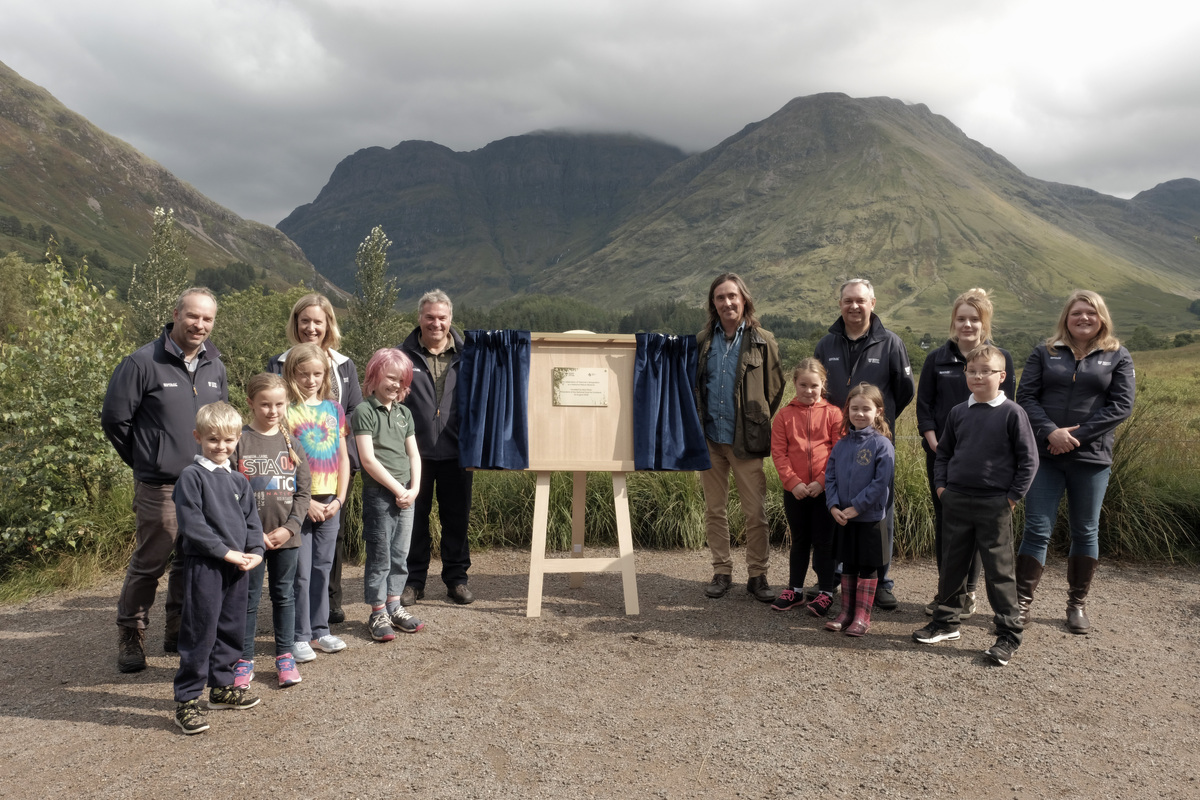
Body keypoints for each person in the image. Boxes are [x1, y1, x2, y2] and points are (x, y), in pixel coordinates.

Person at [102, 287, 228, 673]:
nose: (199, 325)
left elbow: (220, 421)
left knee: (192, 560)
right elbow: (115, 420)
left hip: (204, 482)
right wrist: (146, 460)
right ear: (176, 314)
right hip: (161, 485)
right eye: (193, 316)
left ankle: (177, 630)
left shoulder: (215, 365)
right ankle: (131, 633)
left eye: (207, 319)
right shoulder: (142, 362)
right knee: (151, 561)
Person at [1015, 290, 1135, 634]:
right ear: (1066, 318)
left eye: (1091, 313)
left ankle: (1076, 606)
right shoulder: (1045, 351)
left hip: (1092, 459)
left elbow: (1121, 406)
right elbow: (1026, 397)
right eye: (1077, 313)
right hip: (1045, 454)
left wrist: (1075, 437)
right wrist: (1051, 432)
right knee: (1037, 528)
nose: (1084, 318)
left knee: (1085, 530)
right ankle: (1020, 605)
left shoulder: (1118, 356)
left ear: (1102, 318)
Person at [911, 345, 1038, 666]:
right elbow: (944, 455)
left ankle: (1008, 634)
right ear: (965, 374)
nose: (978, 376)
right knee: (953, 565)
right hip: (956, 500)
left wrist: (1011, 497)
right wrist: (942, 488)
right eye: (972, 371)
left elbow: (1029, 461)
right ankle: (945, 622)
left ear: (1002, 376)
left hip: (995, 504)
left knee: (999, 572)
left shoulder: (1012, 413)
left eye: (986, 371)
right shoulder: (958, 413)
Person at [814, 278, 914, 609]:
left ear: (873, 303)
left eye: (860, 300)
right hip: (838, 441)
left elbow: (904, 391)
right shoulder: (826, 344)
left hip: (876, 442)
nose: (854, 306)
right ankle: (839, 576)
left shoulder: (891, 342)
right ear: (839, 304)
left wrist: (878, 425)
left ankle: (881, 580)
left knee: (878, 509)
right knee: (839, 503)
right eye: (847, 300)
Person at [915, 288, 1015, 617]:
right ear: (953, 322)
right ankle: (947, 591)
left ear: (984, 323)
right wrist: (934, 441)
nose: (967, 325)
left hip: (983, 462)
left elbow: (1008, 408)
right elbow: (925, 406)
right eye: (961, 319)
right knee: (947, 524)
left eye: (974, 319)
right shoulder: (936, 359)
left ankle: (968, 593)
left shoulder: (1001, 360)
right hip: (941, 457)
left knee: (976, 527)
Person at [171, 402, 264, 734]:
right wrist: (225, 553)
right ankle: (187, 699)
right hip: (206, 567)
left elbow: (252, 522)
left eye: (227, 440)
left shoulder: (239, 480)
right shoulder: (191, 477)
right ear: (198, 438)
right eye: (212, 440)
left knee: (231, 629)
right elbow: (193, 526)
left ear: (238, 438)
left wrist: (255, 552)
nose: (220, 447)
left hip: (238, 567)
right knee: (201, 631)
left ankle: (222, 688)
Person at [268, 293, 361, 624]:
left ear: (328, 325)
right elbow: (275, 423)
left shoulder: (343, 364)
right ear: (295, 323)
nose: (311, 327)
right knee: (300, 557)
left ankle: (327, 610)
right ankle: (298, 624)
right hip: (295, 479)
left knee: (328, 549)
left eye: (317, 321)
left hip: (334, 470)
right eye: (304, 320)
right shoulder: (279, 363)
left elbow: (351, 412)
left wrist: (345, 471)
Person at [694, 273, 785, 602]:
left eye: (732, 296)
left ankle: (757, 576)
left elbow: (775, 389)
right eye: (720, 297)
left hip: (746, 442)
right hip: (711, 440)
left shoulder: (763, 339)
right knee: (714, 510)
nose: (727, 303)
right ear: (713, 303)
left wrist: (755, 420)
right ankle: (721, 570)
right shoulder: (704, 340)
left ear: (744, 299)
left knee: (754, 512)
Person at [233, 373, 311, 689]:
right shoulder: (239, 441)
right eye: (265, 404)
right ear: (251, 403)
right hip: (249, 540)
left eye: (279, 404)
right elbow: (229, 495)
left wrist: (290, 528)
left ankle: (285, 657)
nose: (272, 410)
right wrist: (252, 534)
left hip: (287, 539)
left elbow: (304, 493)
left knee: (284, 595)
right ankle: (243, 660)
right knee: (247, 599)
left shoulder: (293, 443)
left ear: (286, 404)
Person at [398, 290, 474, 606]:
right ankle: (413, 582)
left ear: (450, 320)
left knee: (456, 519)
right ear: (420, 318)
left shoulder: (468, 355)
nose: (436, 323)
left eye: (442, 317)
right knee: (414, 521)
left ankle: (456, 580)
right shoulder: (401, 356)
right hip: (415, 455)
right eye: (430, 317)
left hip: (458, 452)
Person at [282, 343, 351, 662]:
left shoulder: (334, 409)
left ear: (326, 375)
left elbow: (342, 457)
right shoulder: (285, 410)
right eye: (303, 373)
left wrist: (340, 497)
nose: (310, 380)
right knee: (301, 571)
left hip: (330, 499)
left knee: (323, 567)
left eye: (317, 374)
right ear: (291, 374)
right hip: (299, 502)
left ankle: (321, 629)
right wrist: (303, 501)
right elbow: (284, 460)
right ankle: (299, 636)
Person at [355, 348, 426, 641]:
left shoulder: (404, 413)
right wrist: (399, 489)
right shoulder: (364, 411)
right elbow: (368, 460)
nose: (396, 385)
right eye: (390, 377)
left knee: (400, 554)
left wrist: (415, 489)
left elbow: (414, 454)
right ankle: (377, 611)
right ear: (374, 375)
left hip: (406, 495)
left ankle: (395, 605)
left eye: (401, 380)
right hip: (379, 496)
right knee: (380, 556)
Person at [769, 358, 843, 616]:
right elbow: (779, 453)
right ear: (795, 384)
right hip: (796, 492)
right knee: (799, 541)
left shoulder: (834, 414)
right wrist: (793, 483)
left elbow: (838, 451)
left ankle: (825, 592)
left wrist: (822, 481)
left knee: (825, 542)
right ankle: (795, 590)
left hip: (825, 491)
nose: (809, 390)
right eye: (803, 385)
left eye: (814, 385)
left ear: (823, 384)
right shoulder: (784, 415)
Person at [823, 383, 894, 637]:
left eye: (866, 409)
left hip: (869, 518)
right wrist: (833, 505)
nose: (860, 413)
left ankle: (863, 616)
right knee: (848, 563)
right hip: (843, 517)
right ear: (847, 410)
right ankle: (846, 612)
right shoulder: (841, 445)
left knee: (867, 565)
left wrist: (857, 507)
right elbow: (829, 477)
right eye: (855, 408)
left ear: (878, 411)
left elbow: (880, 482)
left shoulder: (882, 444)